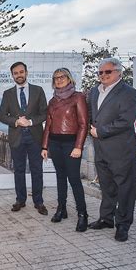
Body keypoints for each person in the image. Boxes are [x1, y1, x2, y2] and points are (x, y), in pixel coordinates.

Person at [88, 58, 136, 242]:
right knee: (107, 186)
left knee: (124, 188)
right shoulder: (94, 92)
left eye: (107, 72)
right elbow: (92, 115)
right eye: (100, 72)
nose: (103, 75)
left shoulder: (129, 93)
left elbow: (125, 121)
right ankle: (106, 218)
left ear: (118, 72)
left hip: (121, 150)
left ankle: (123, 225)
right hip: (100, 149)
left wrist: (100, 131)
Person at [41, 68, 89, 232]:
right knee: (60, 178)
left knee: (74, 180)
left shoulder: (78, 97)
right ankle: (62, 209)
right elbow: (48, 125)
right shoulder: (52, 101)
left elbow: (84, 125)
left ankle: (83, 214)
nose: (59, 80)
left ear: (69, 79)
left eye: (62, 77)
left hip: (71, 145)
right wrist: (45, 146)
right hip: (55, 143)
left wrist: (78, 146)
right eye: (56, 78)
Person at [0, 61, 48, 215]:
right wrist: (15, 121)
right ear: (12, 75)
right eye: (15, 73)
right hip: (16, 138)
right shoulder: (8, 94)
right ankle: (20, 200)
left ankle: (38, 202)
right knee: (19, 170)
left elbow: (44, 114)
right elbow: (1, 116)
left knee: (37, 170)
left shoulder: (38, 91)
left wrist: (31, 121)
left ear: (26, 72)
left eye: (21, 72)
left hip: (35, 137)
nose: (19, 75)